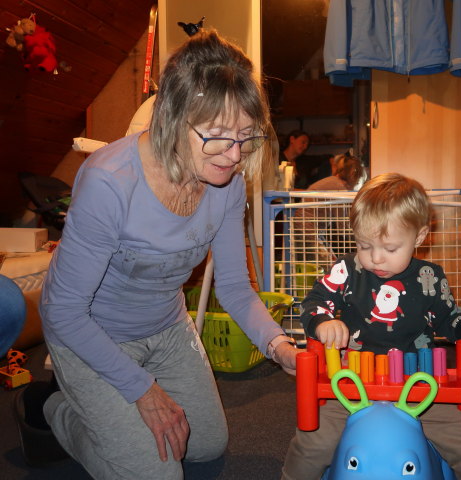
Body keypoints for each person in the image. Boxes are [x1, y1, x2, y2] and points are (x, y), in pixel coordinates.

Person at [18, 29, 298, 478]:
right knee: (159, 473)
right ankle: (57, 409)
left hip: (166, 328)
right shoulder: (109, 180)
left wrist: (280, 346)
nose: (233, 156)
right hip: (90, 335)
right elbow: (63, 311)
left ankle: (104, 412)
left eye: (246, 137)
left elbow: (233, 287)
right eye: (218, 137)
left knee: (206, 446)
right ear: (171, 116)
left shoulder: (225, 182)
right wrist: (142, 389)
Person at [282, 173, 461, 480]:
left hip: (419, 386)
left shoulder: (430, 277)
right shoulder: (347, 270)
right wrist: (324, 320)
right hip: (351, 383)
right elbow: (312, 302)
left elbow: (449, 317)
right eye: (364, 245)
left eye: (390, 248)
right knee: (311, 445)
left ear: (420, 237)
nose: (375, 258)